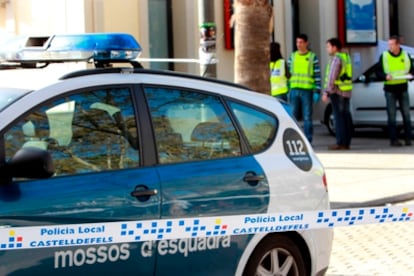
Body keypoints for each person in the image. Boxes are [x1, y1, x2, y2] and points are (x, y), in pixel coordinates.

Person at [376, 35, 413, 146]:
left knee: (406, 114)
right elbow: (378, 72)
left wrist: (411, 75)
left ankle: (408, 139)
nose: (390, 47)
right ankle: (393, 139)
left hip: (402, 87)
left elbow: (412, 69)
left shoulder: (405, 55)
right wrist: (384, 76)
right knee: (391, 115)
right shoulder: (385, 56)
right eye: (389, 44)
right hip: (390, 89)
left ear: (398, 45)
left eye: (392, 44)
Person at [288, 34, 321, 143]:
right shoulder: (292, 56)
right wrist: (288, 88)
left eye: (301, 42)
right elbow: (288, 74)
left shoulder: (312, 57)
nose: (298, 45)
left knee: (307, 117)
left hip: (307, 91)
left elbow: (317, 74)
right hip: (294, 90)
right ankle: (294, 140)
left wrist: (317, 90)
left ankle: (308, 140)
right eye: (297, 42)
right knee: (293, 116)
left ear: (306, 43)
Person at [322, 38, 353, 150]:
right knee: (345, 116)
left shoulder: (336, 59)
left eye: (328, 47)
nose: (327, 49)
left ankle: (340, 142)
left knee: (338, 118)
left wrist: (326, 92)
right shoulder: (346, 57)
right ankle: (346, 142)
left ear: (335, 47)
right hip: (346, 92)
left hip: (337, 91)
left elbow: (331, 77)